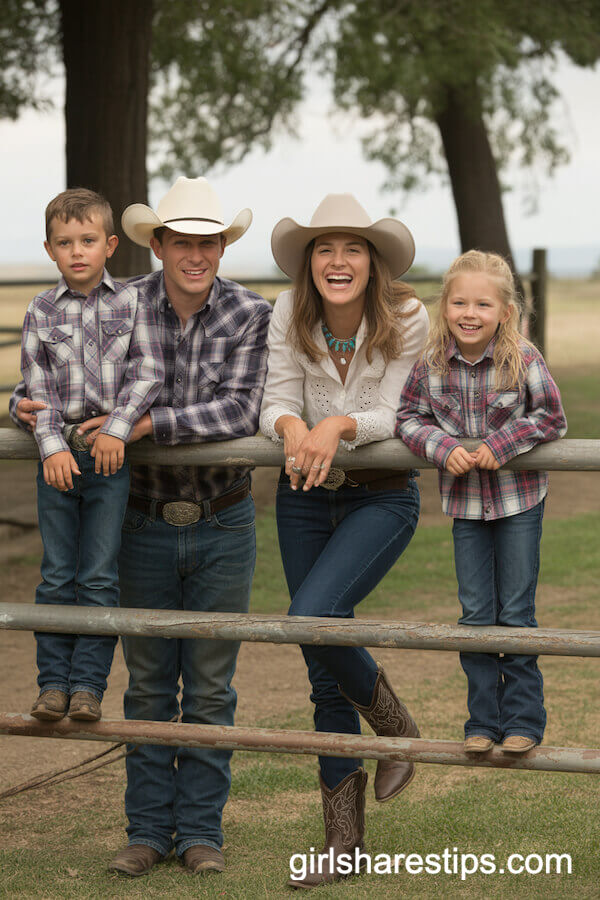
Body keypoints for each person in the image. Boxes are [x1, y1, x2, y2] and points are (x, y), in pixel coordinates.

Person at [11, 176, 272, 878]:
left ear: (223, 247)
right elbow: (53, 373)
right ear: (156, 244)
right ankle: (147, 832)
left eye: (208, 242)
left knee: (211, 686)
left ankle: (202, 834)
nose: (195, 254)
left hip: (222, 518)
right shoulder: (122, 302)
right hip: (141, 518)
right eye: (181, 241)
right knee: (150, 683)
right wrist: (21, 406)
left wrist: (148, 422)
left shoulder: (251, 313)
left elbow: (241, 410)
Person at [260, 193, 429, 887]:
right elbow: (275, 398)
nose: (338, 261)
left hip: (380, 498)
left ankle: (397, 730)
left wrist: (334, 425)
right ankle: (344, 845)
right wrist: (294, 427)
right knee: (321, 667)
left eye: (352, 248)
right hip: (303, 495)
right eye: (324, 249)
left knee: (311, 618)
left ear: (372, 261)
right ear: (309, 262)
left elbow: (394, 412)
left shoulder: (408, 317)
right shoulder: (287, 312)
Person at [396, 250, 567, 757]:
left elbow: (551, 417)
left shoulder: (524, 359)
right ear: (444, 306)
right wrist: (441, 447)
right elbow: (407, 418)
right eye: (460, 303)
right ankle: (482, 722)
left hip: (519, 503)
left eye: (483, 305)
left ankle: (522, 722)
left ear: (505, 312)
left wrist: (502, 445)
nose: (470, 314)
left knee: (515, 610)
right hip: (466, 507)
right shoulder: (430, 364)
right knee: (474, 614)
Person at [18, 188, 164, 725]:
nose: (76, 251)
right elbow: (35, 387)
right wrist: (51, 445)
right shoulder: (40, 310)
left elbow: (147, 373)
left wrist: (118, 430)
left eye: (87, 240)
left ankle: (87, 686)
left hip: (108, 459)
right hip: (57, 459)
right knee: (57, 574)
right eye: (64, 242)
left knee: (99, 575)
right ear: (49, 249)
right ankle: (52, 684)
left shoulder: (131, 303)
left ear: (110, 245)